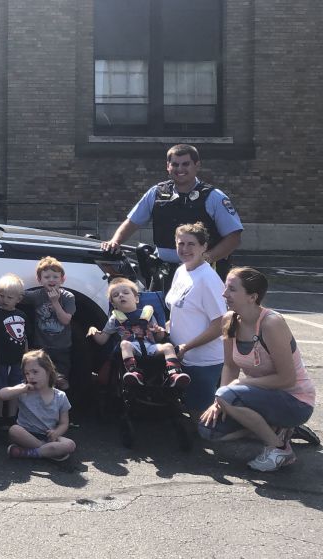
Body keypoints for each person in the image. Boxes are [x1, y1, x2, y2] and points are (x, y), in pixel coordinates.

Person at [199, 268, 315, 472]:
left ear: (252, 297)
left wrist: (234, 389)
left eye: (232, 289)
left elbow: (287, 379)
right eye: (226, 287)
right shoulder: (229, 320)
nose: (224, 294)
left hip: (295, 402)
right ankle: (278, 429)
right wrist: (221, 403)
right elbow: (230, 365)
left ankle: (280, 448)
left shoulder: (271, 323)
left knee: (227, 395)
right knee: (208, 430)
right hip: (261, 399)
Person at [101, 144, 243, 287]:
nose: (180, 169)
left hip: (201, 272)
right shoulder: (156, 193)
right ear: (168, 166)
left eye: (185, 164)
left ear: (197, 165)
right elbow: (132, 222)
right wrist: (115, 241)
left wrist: (205, 259)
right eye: (175, 164)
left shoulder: (214, 197)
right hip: (163, 272)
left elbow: (234, 237)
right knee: (156, 309)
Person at [165, 223, 226, 415]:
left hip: (203, 362)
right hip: (181, 357)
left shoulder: (207, 278)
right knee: (188, 414)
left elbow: (220, 325)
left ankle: (269, 427)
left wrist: (186, 347)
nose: (185, 249)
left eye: (191, 244)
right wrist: (165, 329)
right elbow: (179, 310)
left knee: (204, 423)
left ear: (204, 247)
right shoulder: (181, 271)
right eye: (180, 243)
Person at [87, 278, 190, 388]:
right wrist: (93, 330)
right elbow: (102, 340)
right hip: (132, 348)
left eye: (125, 293)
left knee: (168, 346)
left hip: (151, 346)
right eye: (116, 295)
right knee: (124, 344)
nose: (121, 295)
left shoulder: (147, 314)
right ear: (113, 304)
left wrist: (158, 331)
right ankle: (133, 372)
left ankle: (174, 374)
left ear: (136, 298)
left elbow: (159, 338)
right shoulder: (114, 318)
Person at [0, 350, 76, 461]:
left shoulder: (60, 396)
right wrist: (21, 389)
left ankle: (28, 452)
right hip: (26, 435)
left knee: (70, 444)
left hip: (48, 436)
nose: (31, 376)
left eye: (35, 372)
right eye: (27, 373)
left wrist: (56, 433)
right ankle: (49, 452)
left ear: (48, 371)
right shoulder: (24, 390)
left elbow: (64, 423)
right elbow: (1, 394)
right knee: (14, 430)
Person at [0, 274, 29, 429]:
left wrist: (26, 357)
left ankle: (12, 417)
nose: (4, 300)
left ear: (18, 299)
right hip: (0, 361)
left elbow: (24, 337)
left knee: (16, 388)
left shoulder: (22, 316)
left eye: (9, 297)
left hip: (17, 361)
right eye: (0, 295)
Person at [23, 257, 75, 390]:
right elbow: (14, 293)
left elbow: (65, 320)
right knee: (40, 379)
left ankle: (59, 404)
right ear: (39, 280)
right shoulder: (37, 295)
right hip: (41, 347)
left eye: (55, 276)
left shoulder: (68, 297)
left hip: (61, 347)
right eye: (47, 277)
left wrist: (55, 302)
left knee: (62, 382)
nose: (51, 280)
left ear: (62, 279)